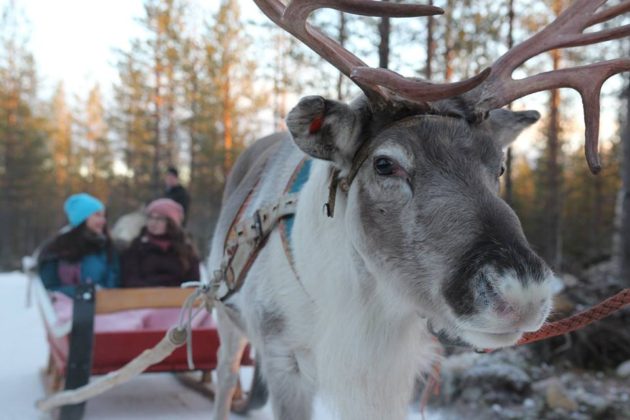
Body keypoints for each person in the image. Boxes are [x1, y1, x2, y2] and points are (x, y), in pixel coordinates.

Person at [38, 193, 120, 296]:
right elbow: (49, 288)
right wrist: (85, 292)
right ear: (82, 218)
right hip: (63, 309)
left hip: (103, 308)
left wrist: (103, 294)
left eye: (104, 216)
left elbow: (113, 282)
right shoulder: (55, 249)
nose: (103, 221)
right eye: (97, 215)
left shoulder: (106, 247)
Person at [120, 198, 200, 288]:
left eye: (159, 219)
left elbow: (193, 283)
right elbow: (130, 280)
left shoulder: (186, 250)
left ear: (171, 223)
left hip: (179, 300)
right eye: (150, 217)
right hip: (143, 299)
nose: (153, 223)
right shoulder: (136, 247)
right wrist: (155, 291)